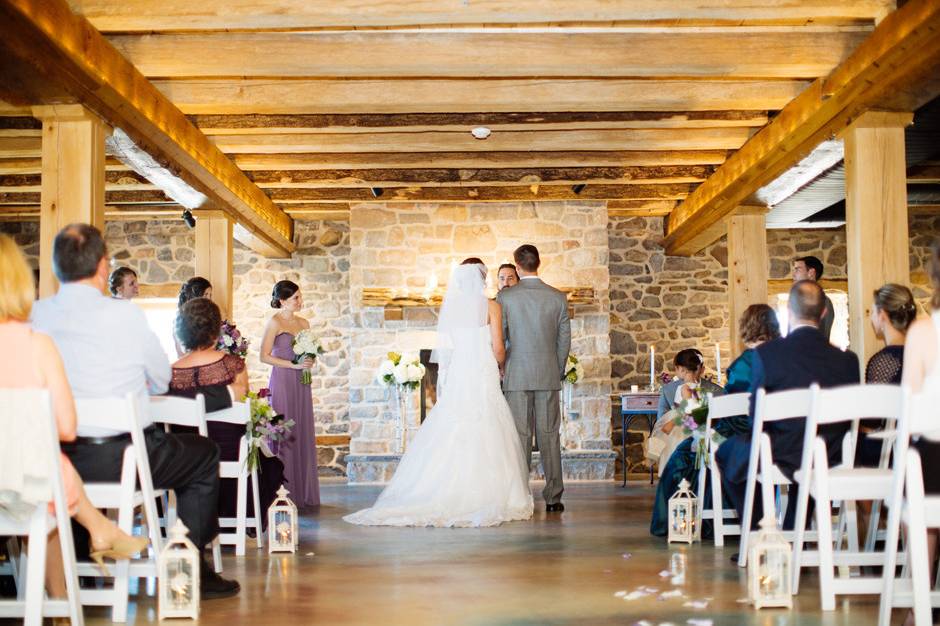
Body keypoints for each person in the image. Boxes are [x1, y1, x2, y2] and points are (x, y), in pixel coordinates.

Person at [31, 224, 239, 599]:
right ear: (101, 266)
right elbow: (160, 379)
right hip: (124, 456)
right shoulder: (126, 316)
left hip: (53, 459)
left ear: (56, 268)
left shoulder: (35, 315)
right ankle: (190, 567)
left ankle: (78, 564)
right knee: (204, 456)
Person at [0, 234, 148, 597]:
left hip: (19, 483)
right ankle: (95, 540)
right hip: (19, 483)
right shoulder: (35, 344)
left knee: (41, 479)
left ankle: (65, 591)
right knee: (43, 470)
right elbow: (67, 428)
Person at [344, 259, 533, 526]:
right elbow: (499, 348)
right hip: (483, 370)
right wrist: (501, 366)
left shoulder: (453, 309)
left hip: (460, 371)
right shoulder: (491, 306)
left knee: (454, 423)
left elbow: (450, 348)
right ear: (481, 279)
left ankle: (441, 487)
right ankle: (490, 491)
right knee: (487, 423)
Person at [716, 281, 860, 533]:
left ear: (789, 313)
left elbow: (756, 418)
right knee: (813, 453)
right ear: (824, 313)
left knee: (726, 453)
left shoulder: (768, 355)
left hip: (780, 450)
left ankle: (760, 532)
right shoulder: (848, 360)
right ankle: (795, 533)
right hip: (830, 452)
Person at [650, 305, 780, 536]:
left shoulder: (744, 367)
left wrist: (702, 426)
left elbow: (731, 415)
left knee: (685, 456)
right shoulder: (785, 359)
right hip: (783, 440)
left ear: (745, 329)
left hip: (745, 439)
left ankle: (703, 521)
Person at [168, 297, 285, 529]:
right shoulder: (233, 366)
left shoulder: (169, 372)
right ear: (215, 330)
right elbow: (244, 408)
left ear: (182, 332)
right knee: (271, 466)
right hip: (229, 455)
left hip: (183, 459)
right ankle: (236, 520)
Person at [498, 244, 571, 512]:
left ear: (517, 266)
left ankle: (521, 495)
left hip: (516, 374)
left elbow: (501, 339)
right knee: (549, 435)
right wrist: (557, 368)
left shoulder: (506, 298)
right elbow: (565, 340)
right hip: (548, 374)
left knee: (520, 435)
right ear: (539, 263)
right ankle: (553, 497)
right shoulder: (558, 297)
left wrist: (501, 366)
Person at [900, 241, 940, 623]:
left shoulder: (925, 331)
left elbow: (909, 405)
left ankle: (919, 607)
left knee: (920, 512)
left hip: (934, 449)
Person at [260, 280, 320, 507]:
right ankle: (282, 492)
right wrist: (292, 365)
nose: (300, 301)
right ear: (282, 301)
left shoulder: (304, 323)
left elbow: (309, 352)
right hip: (284, 380)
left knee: (302, 429)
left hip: (302, 382)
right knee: (286, 430)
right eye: (295, 297)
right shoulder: (274, 322)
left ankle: (303, 492)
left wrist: (309, 360)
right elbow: (264, 356)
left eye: (299, 296)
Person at [856, 283, 916, 467]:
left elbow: (872, 420)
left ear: (882, 315)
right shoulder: (919, 354)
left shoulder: (884, 361)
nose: (871, 318)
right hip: (916, 444)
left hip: (891, 449)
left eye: (872, 312)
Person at [648, 349, 724, 479]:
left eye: (676, 369)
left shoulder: (684, 388)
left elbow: (687, 409)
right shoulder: (698, 388)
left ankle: (677, 480)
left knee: (672, 451)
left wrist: (671, 423)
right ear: (699, 368)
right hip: (697, 424)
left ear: (681, 370)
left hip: (683, 426)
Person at [792, 256, 835, 340]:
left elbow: (822, 336)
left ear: (811, 273)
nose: (793, 275)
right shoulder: (796, 301)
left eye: (798, 269)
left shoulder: (824, 302)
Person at [176, 277, 213, 356]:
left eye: (210, 295)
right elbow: (180, 353)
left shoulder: (212, 317)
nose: (209, 299)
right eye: (206, 294)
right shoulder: (181, 321)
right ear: (195, 296)